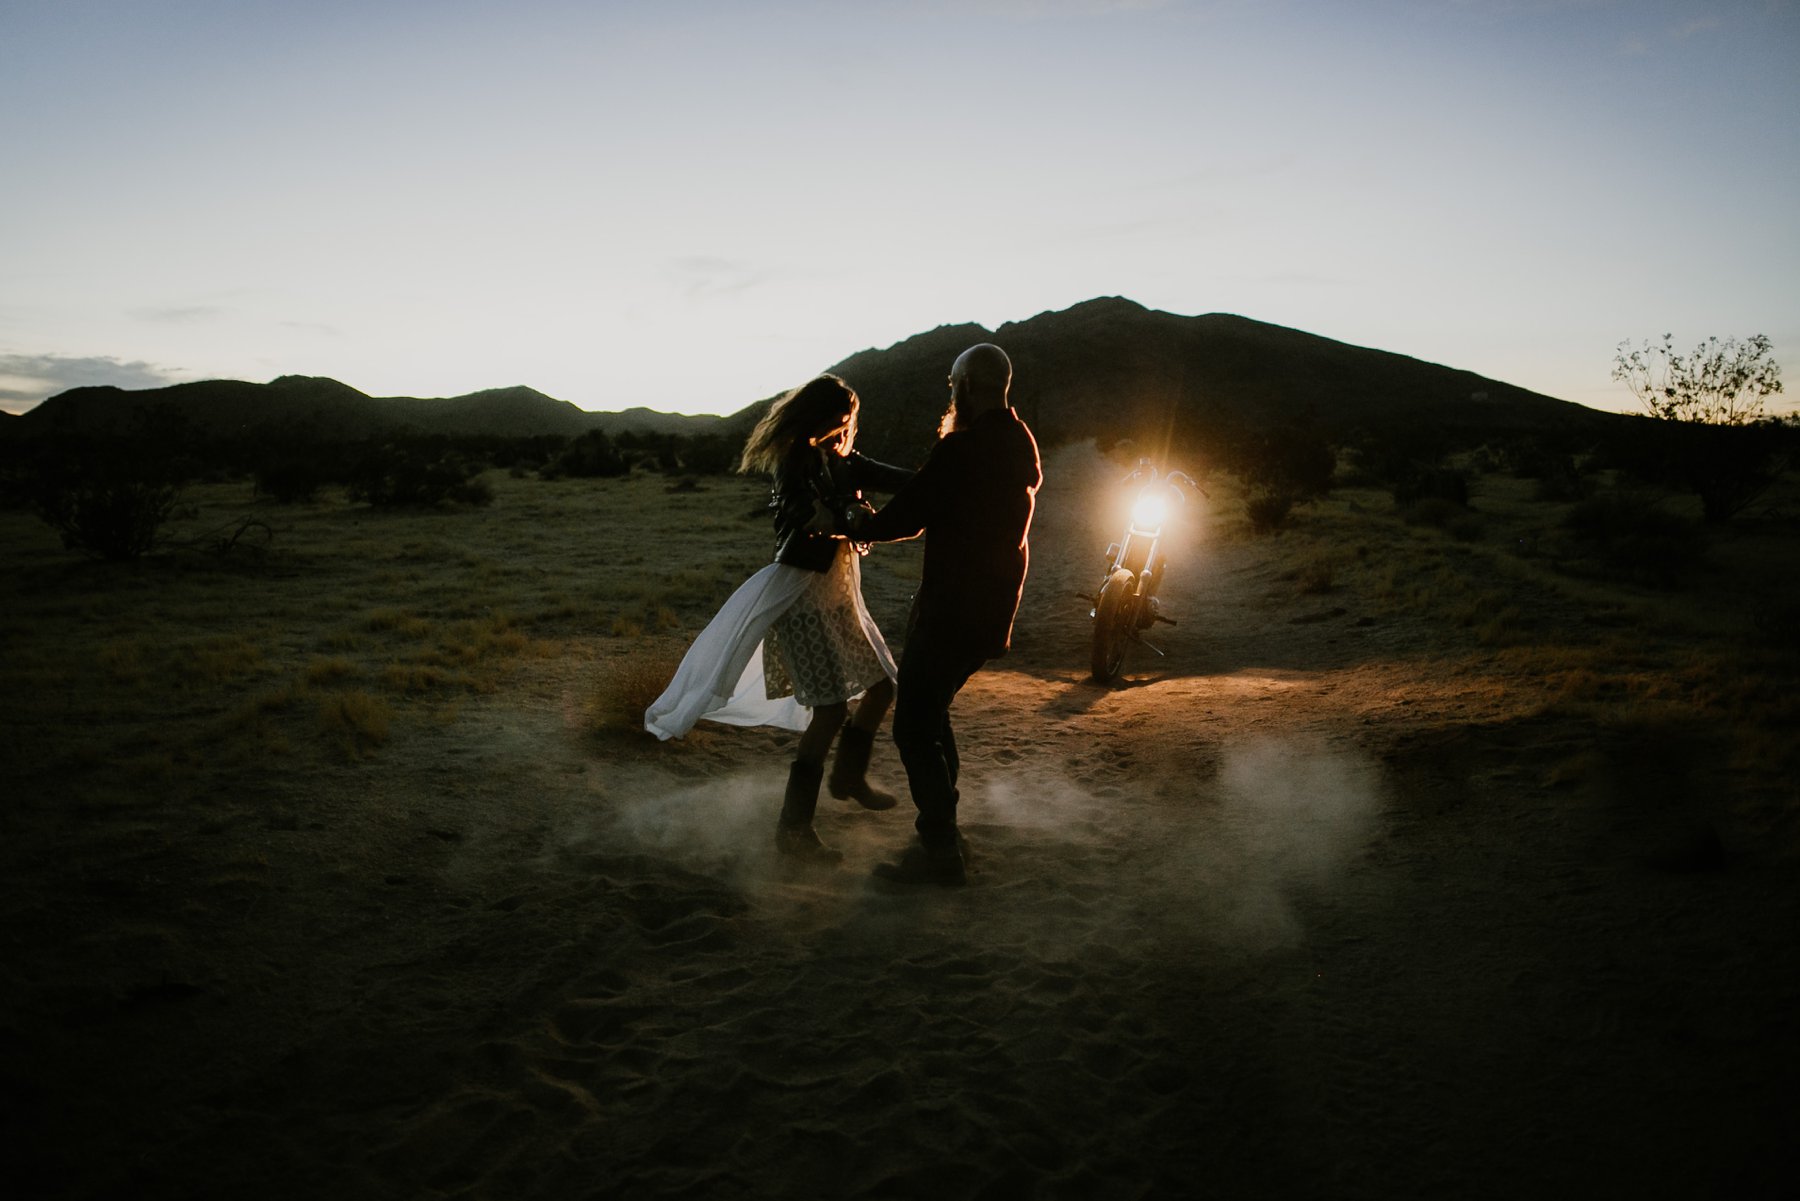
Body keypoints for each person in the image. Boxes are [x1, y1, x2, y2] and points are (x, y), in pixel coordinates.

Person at [644, 374, 914, 863]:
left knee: (882, 687)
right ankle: (793, 831)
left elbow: (898, 478)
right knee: (830, 711)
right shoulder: (795, 463)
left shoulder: (841, 461)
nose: (843, 426)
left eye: (847, 419)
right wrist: (832, 519)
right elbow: (796, 511)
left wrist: (945, 478)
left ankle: (848, 776)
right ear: (817, 415)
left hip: (835, 594)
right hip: (798, 598)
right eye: (837, 417)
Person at [821, 343, 1041, 885]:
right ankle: (947, 833)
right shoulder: (1020, 442)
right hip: (993, 609)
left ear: (964, 388)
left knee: (914, 725)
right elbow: (934, 501)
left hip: (951, 610)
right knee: (932, 712)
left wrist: (847, 522)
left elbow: (909, 514)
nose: (951, 393)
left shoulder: (962, 449)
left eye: (952, 385)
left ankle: (939, 851)